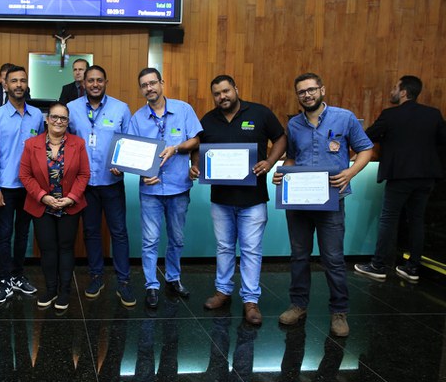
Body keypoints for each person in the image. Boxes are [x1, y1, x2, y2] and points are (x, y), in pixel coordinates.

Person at [272, 72, 373, 337]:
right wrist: (282, 173)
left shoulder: (345, 118)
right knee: (299, 256)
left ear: (322, 90)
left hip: (332, 201)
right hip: (299, 203)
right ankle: (298, 305)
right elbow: (292, 157)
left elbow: (366, 150)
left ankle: (339, 312)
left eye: (311, 90)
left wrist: (350, 173)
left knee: (333, 259)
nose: (307, 95)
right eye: (301, 92)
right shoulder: (294, 124)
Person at [191, 75, 286, 325]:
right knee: (224, 247)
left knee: (251, 250)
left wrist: (270, 162)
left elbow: (280, 138)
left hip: (253, 199)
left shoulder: (260, 113)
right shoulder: (208, 120)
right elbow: (197, 147)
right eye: (217, 93)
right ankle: (223, 291)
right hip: (221, 199)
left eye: (226, 91)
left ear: (236, 89)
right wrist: (195, 164)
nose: (222, 96)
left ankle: (250, 300)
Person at [354, 76, 446, 283]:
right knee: (417, 220)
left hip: (400, 175)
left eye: (395, 87)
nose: (392, 91)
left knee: (388, 218)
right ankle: (412, 268)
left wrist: (386, 139)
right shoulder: (433, 114)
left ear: (403, 92)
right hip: (427, 176)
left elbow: (367, 136)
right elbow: (442, 140)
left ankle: (378, 265)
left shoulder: (390, 115)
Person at [127, 68, 202, 309]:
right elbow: (130, 153)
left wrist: (177, 148)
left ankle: (173, 278)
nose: (149, 88)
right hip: (150, 191)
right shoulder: (137, 118)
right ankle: (151, 285)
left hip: (179, 187)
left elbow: (196, 140)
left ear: (162, 83)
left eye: (152, 83)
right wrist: (142, 173)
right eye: (144, 85)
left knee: (177, 238)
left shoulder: (183, 109)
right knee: (150, 240)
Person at [67, 65, 135, 307]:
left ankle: (123, 281)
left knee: (119, 232)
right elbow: (65, 141)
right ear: (83, 83)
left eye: (99, 80)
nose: (95, 84)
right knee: (91, 232)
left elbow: (129, 142)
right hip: (84, 184)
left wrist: (123, 164)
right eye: (90, 81)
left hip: (112, 182)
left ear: (106, 82)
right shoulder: (71, 108)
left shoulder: (121, 108)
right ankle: (96, 276)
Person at [19, 102, 90, 310]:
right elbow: (25, 175)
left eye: (63, 118)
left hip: (69, 205)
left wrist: (72, 197)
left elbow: (84, 174)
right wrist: (42, 196)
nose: (59, 121)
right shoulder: (32, 144)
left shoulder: (78, 143)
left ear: (68, 122)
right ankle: (51, 289)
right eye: (54, 117)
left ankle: (65, 291)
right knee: (48, 249)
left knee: (66, 248)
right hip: (42, 205)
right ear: (47, 119)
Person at [0, 65, 45, 304]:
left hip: (29, 187)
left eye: (23, 80)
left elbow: (41, 149)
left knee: (23, 235)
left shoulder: (37, 115)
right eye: (14, 81)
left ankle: (18, 276)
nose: (19, 85)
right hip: (5, 188)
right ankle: (4, 281)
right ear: (5, 85)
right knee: (4, 235)